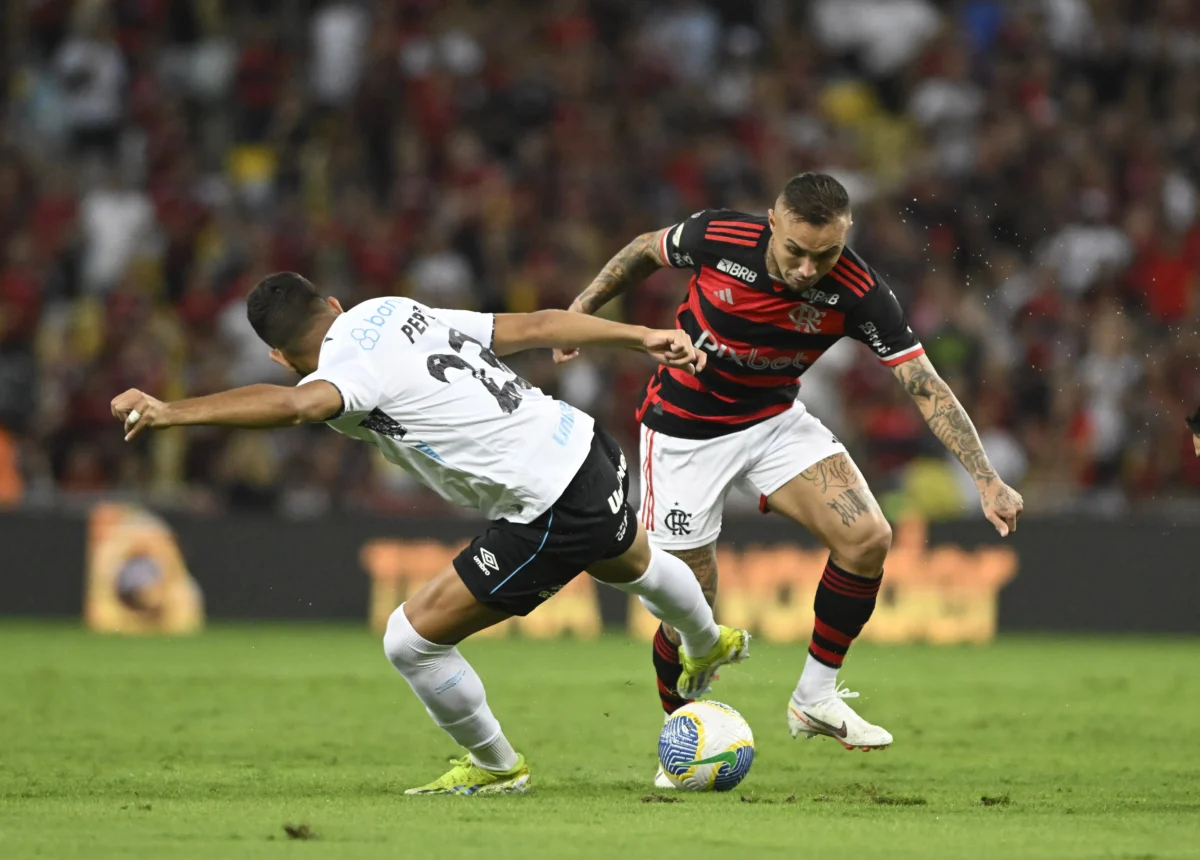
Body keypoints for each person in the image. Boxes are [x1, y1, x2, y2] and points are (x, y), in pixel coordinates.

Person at [110, 273, 750, 795]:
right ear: (333, 303)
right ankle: (706, 640)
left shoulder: (340, 373)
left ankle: (499, 768)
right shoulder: (391, 310)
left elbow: (300, 405)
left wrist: (173, 412)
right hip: (587, 445)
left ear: (278, 356)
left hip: (548, 502)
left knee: (410, 640)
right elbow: (530, 327)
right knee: (627, 560)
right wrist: (640, 335)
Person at [556, 172, 1024, 777]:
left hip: (773, 420)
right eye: (796, 251)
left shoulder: (859, 291)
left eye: (824, 254)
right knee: (689, 612)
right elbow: (647, 248)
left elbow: (923, 383)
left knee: (869, 538)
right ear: (772, 222)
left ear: (845, 235)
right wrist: (582, 308)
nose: (807, 269)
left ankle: (815, 698)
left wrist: (985, 477)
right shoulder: (720, 236)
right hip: (684, 430)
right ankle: (681, 736)